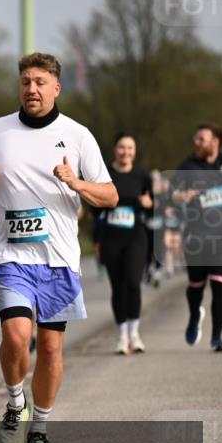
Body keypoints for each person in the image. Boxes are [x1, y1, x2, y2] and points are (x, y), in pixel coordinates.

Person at [0, 53, 117, 443]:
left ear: (57, 88)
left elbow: (109, 195)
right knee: (17, 336)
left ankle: (39, 428)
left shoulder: (77, 134)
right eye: (25, 81)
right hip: (10, 256)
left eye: (40, 82)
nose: (31, 89)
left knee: (52, 350)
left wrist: (76, 182)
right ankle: (14, 401)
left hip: (57, 259)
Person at [96, 134, 153, 355]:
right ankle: (121, 336)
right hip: (111, 237)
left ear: (134, 151)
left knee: (133, 281)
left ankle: (135, 333)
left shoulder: (142, 176)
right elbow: (95, 208)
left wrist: (149, 205)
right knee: (118, 286)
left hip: (135, 236)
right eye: (122, 147)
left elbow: (154, 207)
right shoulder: (103, 175)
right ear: (114, 149)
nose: (126, 152)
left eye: (130, 148)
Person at [170, 123, 222, 351]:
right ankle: (194, 315)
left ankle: (217, 335)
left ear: (215, 141)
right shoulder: (188, 165)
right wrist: (182, 195)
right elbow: (172, 194)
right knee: (196, 286)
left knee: (220, 285)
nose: (197, 143)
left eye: (202, 139)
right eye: (196, 138)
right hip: (196, 235)